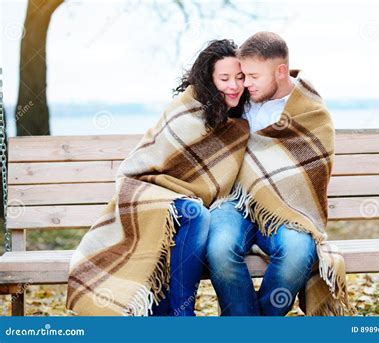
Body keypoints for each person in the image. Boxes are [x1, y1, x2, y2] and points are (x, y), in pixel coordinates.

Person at [67, 39, 250, 316]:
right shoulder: (186, 111)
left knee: (196, 215)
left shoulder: (239, 123)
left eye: (239, 77)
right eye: (224, 78)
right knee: (194, 213)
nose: (233, 86)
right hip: (146, 193)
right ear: (209, 80)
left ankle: (165, 314)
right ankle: (183, 315)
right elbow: (142, 165)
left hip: (185, 206)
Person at [207, 32, 351, 316]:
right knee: (220, 249)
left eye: (253, 76)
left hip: (287, 210)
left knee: (298, 253)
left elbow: (313, 171)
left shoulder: (311, 113)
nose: (245, 83)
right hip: (236, 203)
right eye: (243, 75)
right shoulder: (238, 101)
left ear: (281, 72)